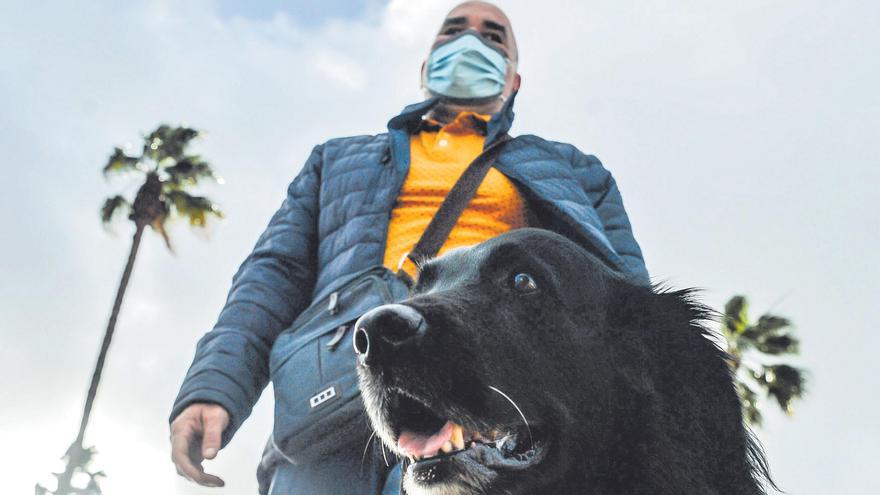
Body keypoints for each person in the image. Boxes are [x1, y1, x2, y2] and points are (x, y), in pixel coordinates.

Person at [169, 2, 649, 494]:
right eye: (454, 32)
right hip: (331, 410)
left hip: (486, 414)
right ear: (425, 69)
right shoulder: (337, 161)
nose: (471, 43)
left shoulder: (573, 171)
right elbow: (270, 276)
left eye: (493, 37)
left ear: (514, 81)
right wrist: (215, 386)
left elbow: (627, 303)